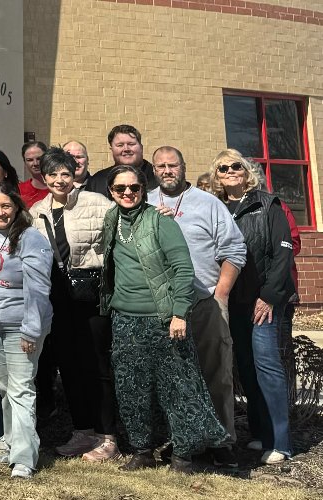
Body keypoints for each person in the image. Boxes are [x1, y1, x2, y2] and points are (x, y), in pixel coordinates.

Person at [101, 165, 226, 474]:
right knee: (132, 388)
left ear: (144, 189)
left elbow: (184, 269)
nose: (128, 193)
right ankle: (142, 450)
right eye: (120, 189)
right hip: (124, 319)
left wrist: (179, 313)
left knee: (179, 388)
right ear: (111, 192)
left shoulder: (160, 221)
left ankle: (184, 456)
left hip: (163, 318)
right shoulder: (111, 219)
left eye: (134, 188)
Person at [148, 145, 246, 468]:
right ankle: (183, 441)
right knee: (172, 377)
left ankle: (221, 441)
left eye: (172, 165)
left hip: (204, 302)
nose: (167, 170)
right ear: (153, 169)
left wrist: (220, 294)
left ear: (184, 166)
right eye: (160, 166)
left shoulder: (208, 204)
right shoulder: (145, 202)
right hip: (160, 308)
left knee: (216, 373)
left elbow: (234, 249)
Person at [27, 149, 120, 462]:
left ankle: (107, 435)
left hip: (92, 295)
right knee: (69, 365)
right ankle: (82, 430)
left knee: (97, 364)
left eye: (65, 173)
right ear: (44, 176)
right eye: (52, 174)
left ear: (74, 173)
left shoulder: (98, 203)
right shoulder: (37, 211)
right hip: (59, 298)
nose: (59, 180)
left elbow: (118, 238)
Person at [207, 150, 295, 465]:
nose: (230, 171)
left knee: (267, 365)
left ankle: (281, 442)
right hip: (234, 301)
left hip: (264, 300)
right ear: (216, 176)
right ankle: (260, 434)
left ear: (247, 171)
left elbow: (283, 252)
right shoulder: (215, 208)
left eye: (237, 166)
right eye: (223, 168)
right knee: (246, 367)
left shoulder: (267, 204)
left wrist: (270, 295)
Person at [0, 184, 52, 478]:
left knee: (21, 388)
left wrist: (32, 331)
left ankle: (24, 458)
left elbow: (39, 288)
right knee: (4, 385)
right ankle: (9, 442)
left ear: (17, 207)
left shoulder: (31, 238)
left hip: (22, 325)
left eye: (5, 206)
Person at [86, 124, 156, 199]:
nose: (126, 149)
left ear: (141, 148)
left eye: (131, 144)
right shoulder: (98, 182)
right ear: (112, 150)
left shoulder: (157, 177)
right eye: (120, 145)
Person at [19, 141, 50, 206]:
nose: (35, 163)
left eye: (39, 159)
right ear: (24, 162)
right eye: (29, 160)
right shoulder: (19, 190)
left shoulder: (59, 187)